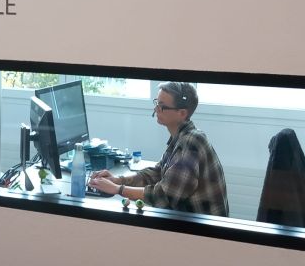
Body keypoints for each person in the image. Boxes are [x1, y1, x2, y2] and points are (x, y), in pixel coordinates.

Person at [89, 81, 229, 216]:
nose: (156, 109)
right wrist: (118, 180)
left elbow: (164, 196)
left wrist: (118, 189)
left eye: (162, 106)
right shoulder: (180, 137)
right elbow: (157, 173)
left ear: (182, 113)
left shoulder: (192, 142)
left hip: (201, 230)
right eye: (156, 103)